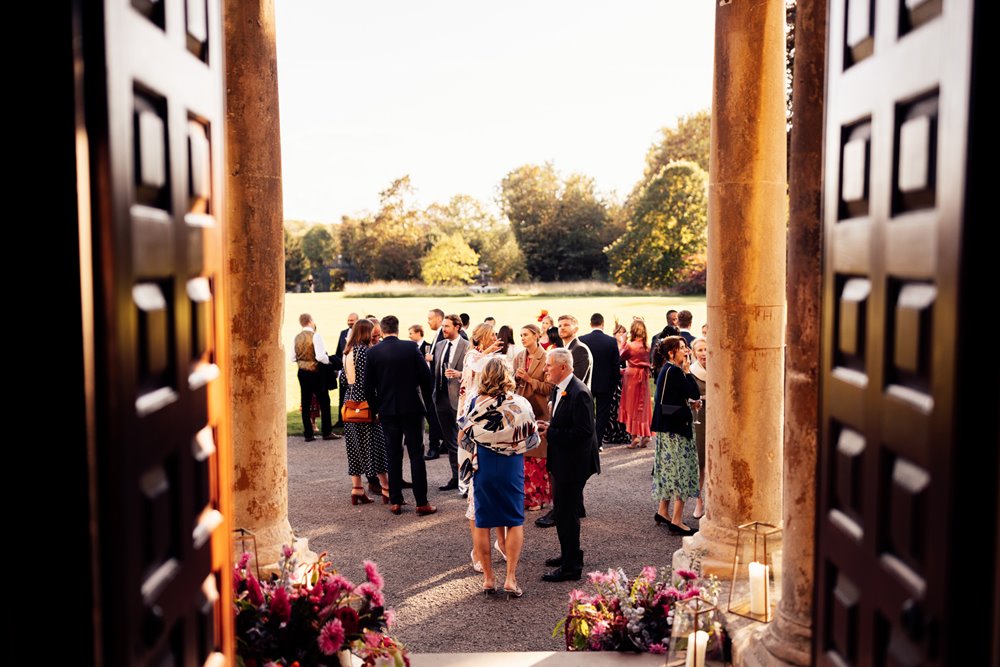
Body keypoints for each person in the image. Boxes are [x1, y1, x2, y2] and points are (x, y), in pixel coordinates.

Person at [457, 358, 539, 597]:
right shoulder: (521, 403)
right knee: (514, 520)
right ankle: (511, 578)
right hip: (511, 466)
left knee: (483, 522)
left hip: (483, 464)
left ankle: (489, 579)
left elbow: (463, 435)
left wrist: (466, 469)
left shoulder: (475, 403)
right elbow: (533, 438)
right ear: (508, 376)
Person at [536, 348, 600, 582]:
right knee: (563, 512)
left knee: (567, 514)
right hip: (563, 460)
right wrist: (549, 425)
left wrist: (551, 432)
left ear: (563, 367)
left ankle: (571, 567)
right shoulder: (559, 389)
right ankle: (569, 555)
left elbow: (584, 433)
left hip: (573, 464)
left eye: (549, 365)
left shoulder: (579, 392)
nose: (545, 369)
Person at [364, 315, 437, 517]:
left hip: (387, 409)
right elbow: (426, 376)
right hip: (412, 407)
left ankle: (395, 501)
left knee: (393, 455)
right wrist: (424, 398)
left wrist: (376, 408)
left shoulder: (373, 352)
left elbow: (367, 387)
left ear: (382, 330)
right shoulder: (410, 347)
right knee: (416, 454)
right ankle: (421, 502)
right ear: (397, 328)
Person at [650, 336, 702, 535]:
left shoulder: (666, 370)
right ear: (671, 352)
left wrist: (688, 403)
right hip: (677, 430)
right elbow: (694, 393)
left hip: (667, 429)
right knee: (681, 471)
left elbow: (673, 398)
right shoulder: (676, 371)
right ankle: (677, 520)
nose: (686, 351)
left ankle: (663, 511)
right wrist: (688, 372)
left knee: (668, 470)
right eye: (682, 348)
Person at [340, 319, 389, 504]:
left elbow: (344, 380)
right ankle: (386, 488)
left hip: (349, 401)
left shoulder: (347, 351)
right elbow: (368, 381)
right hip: (364, 403)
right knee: (375, 445)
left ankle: (357, 488)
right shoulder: (364, 352)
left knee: (354, 447)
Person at [513, 324, 554, 511]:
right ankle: (525, 497)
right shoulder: (519, 356)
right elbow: (512, 384)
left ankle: (538, 498)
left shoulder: (546, 357)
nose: (522, 338)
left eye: (526, 335)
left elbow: (549, 387)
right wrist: (516, 378)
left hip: (539, 410)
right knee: (524, 456)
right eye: (520, 335)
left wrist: (529, 380)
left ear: (536, 336)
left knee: (537, 456)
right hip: (521, 411)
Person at [431, 314, 471, 491]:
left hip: (460, 399)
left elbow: (474, 373)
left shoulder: (467, 346)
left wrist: (459, 374)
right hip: (440, 399)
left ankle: (467, 479)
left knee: (464, 440)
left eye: (447, 326)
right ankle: (455, 477)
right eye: (443, 326)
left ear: (458, 327)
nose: (443, 330)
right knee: (449, 442)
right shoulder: (439, 345)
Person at [290, 313, 334, 442]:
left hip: (302, 372)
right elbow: (320, 357)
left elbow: (293, 357)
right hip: (316, 373)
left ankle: (308, 434)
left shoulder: (296, 337)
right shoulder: (316, 336)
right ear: (310, 321)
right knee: (324, 401)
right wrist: (329, 361)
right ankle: (327, 432)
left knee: (305, 401)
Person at [579, 313, 620, 450]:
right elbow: (616, 365)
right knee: (603, 414)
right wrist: (614, 384)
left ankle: (587, 440)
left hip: (586, 384)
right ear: (602, 324)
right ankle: (598, 443)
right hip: (605, 383)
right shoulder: (611, 341)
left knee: (587, 412)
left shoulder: (582, 340)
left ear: (591, 324)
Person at [617, 318, 653, 449]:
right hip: (643, 377)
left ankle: (634, 437)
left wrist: (623, 341)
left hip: (631, 376)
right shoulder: (647, 346)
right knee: (643, 406)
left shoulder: (630, 345)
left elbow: (620, 356)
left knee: (631, 405)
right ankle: (646, 435)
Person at [602, 321, 633, 446]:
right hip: (613, 381)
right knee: (612, 408)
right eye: (618, 332)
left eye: (622, 332)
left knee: (624, 408)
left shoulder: (628, 347)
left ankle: (624, 433)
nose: (620, 334)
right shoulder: (610, 346)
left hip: (625, 382)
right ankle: (611, 433)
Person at [689, 337, 708, 519]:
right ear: (694, 353)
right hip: (700, 419)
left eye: (706, 350)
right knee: (700, 462)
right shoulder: (692, 372)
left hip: (719, 418)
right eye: (700, 350)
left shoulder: (719, 368)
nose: (703, 353)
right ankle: (699, 501)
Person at [333, 312, 359, 430]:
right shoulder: (343, 333)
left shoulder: (359, 333)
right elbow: (339, 351)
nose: (350, 322)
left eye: (352, 320)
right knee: (342, 395)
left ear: (357, 321)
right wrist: (338, 369)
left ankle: (357, 417)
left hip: (355, 371)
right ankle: (341, 419)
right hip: (344, 371)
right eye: (349, 320)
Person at [557, 315, 593, 387]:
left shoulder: (580, 349)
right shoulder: (564, 349)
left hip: (576, 397)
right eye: (560, 326)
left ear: (575, 329)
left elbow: (576, 381)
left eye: (566, 325)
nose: (562, 328)